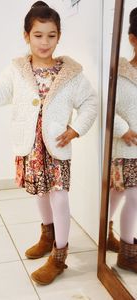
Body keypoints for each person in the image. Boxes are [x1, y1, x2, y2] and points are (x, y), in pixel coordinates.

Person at [0, 1, 97, 284]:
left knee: (59, 196)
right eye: (38, 35)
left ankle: (59, 257)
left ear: (59, 36)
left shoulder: (71, 74)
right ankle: (47, 235)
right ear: (27, 36)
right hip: (31, 146)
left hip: (56, 147)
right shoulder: (18, 70)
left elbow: (90, 102)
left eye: (51, 35)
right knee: (41, 194)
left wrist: (75, 129)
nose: (44, 42)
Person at [108, 7, 137, 272]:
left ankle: (107, 230)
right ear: (133, 39)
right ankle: (128, 253)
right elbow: (109, 105)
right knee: (134, 197)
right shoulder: (122, 72)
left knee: (118, 194)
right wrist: (123, 129)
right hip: (126, 149)